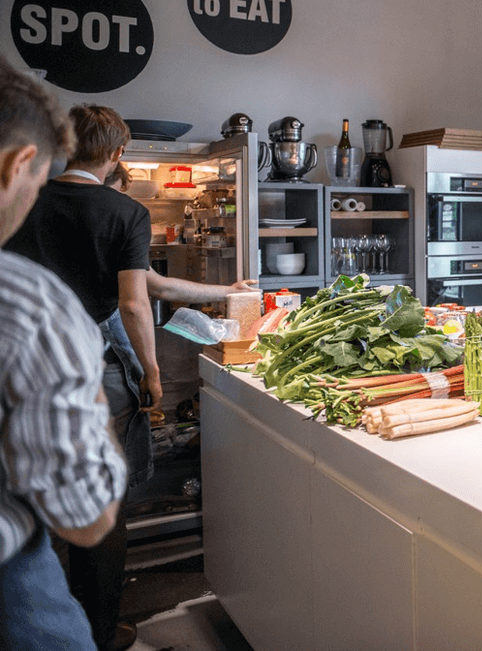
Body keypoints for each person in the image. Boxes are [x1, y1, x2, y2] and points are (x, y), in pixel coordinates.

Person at [2, 104, 155, 651]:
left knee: (27, 497)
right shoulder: (126, 212)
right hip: (89, 367)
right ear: (117, 153)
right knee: (101, 512)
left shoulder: (28, 200)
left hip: (13, 374)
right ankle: (102, 628)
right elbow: (135, 304)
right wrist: (151, 373)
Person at [105, 165, 259, 302]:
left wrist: (231, 291)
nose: (119, 201)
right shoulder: (128, 214)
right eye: (116, 193)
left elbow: (158, 285)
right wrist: (230, 291)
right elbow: (155, 289)